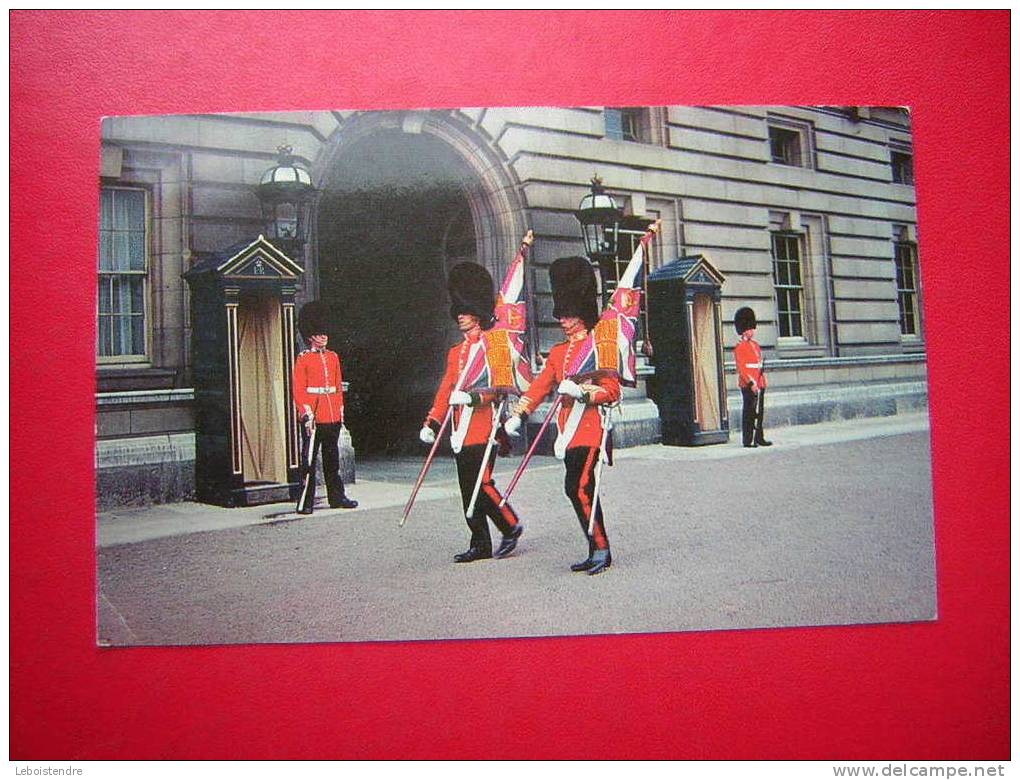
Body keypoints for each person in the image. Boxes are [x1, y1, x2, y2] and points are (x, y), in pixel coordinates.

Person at [504, 257, 620, 576]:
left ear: (582, 315)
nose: (564, 321)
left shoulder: (599, 347)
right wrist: (520, 413)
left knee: (580, 488)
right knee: (576, 489)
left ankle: (602, 548)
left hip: (590, 430)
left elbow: (611, 390)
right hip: (568, 432)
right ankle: (595, 547)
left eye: (569, 316)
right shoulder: (558, 353)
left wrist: (582, 391)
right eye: (562, 315)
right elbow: (541, 386)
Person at [420, 263, 524, 563]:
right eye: (459, 312)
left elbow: (498, 388)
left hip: (483, 426)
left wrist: (471, 397)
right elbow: (445, 388)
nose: (460, 316)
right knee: (468, 489)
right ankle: (480, 543)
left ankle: (510, 523)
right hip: (459, 429)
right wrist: (433, 420)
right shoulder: (456, 352)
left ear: (477, 314)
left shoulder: (493, 346)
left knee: (482, 483)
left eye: (464, 312)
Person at [293, 301, 358, 514]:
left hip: (331, 415)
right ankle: (305, 501)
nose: (323, 336)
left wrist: (339, 411)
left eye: (324, 333)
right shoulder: (303, 360)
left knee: (332, 460)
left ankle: (337, 497)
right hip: (314, 416)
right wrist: (306, 414)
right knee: (309, 460)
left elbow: (337, 387)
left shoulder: (333, 357)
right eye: (319, 333)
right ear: (310, 336)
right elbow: (299, 390)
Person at [733, 306, 772, 448]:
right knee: (749, 413)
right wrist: (751, 383)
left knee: (759, 412)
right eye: (750, 328)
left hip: (759, 382)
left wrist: (762, 381)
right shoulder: (740, 347)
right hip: (748, 384)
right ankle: (748, 439)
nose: (752, 331)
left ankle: (759, 436)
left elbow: (758, 364)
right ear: (744, 330)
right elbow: (742, 368)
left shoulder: (755, 345)